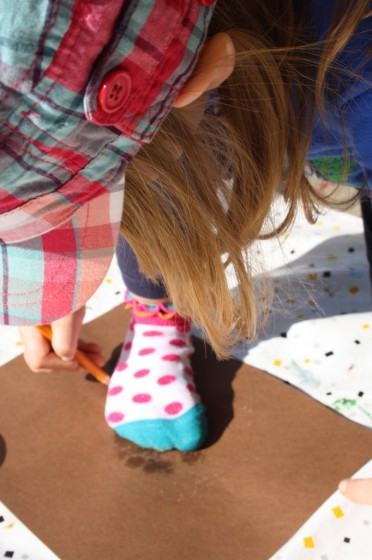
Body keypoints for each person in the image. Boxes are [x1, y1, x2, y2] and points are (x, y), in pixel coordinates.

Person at [1, 1, 372, 501]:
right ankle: (156, 318)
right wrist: (39, 254)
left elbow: (143, 176)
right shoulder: (175, 80)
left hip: (334, 95)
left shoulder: (358, 82)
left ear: (200, 75)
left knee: (165, 172)